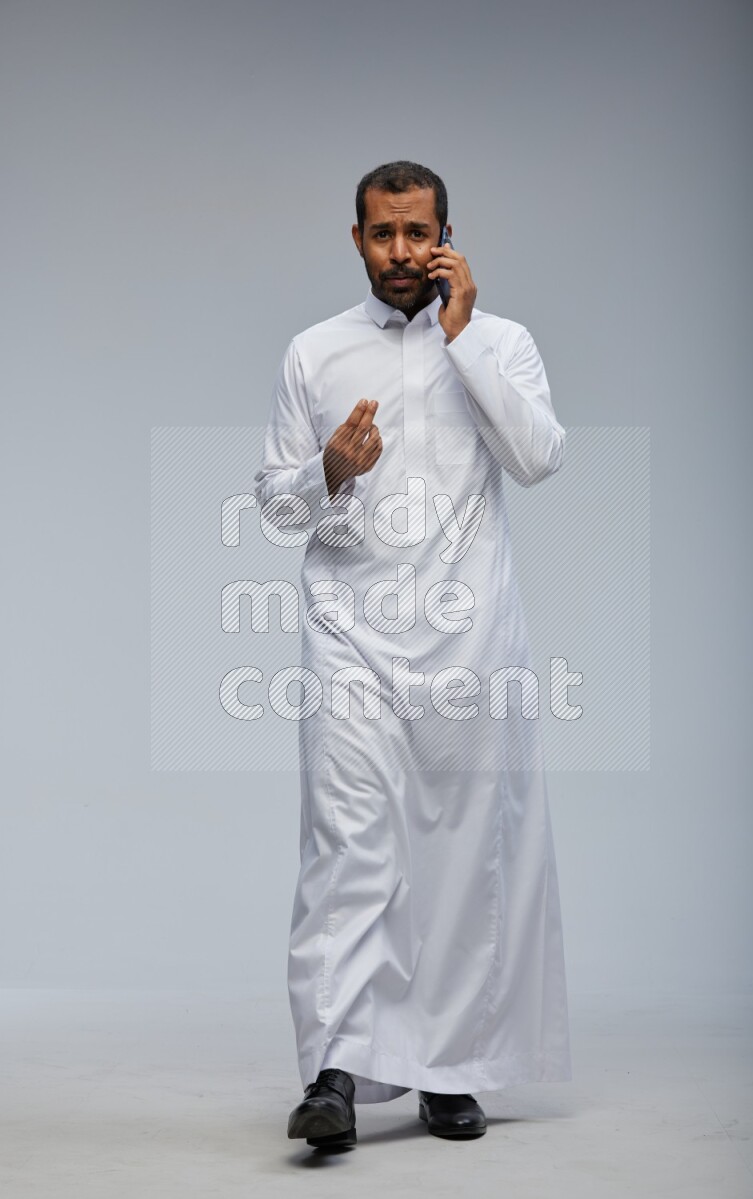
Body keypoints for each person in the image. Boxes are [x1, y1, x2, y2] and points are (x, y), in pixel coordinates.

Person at [254, 161, 571, 1150]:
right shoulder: (314, 352)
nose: (399, 252)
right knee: (345, 848)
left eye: (416, 233)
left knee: (458, 854)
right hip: (348, 633)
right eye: (381, 233)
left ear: (446, 236)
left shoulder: (499, 341)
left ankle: (450, 1070)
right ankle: (333, 1074)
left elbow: (536, 455)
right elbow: (272, 502)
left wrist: (462, 336)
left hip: (469, 638)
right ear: (354, 238)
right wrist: (328, 469)